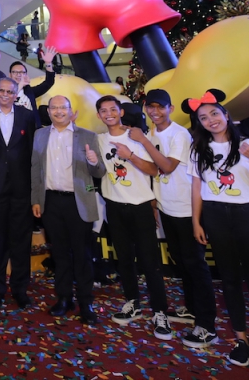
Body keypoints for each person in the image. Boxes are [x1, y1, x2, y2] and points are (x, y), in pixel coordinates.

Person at [186, 90, 249, 375]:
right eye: (203, 117)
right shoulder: (199, 149)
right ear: (199, 123)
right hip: (215, 215)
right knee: (229, 282)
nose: (210, 120)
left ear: (226, 115)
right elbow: (197, 188)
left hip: (248, 214)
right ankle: (241, 340)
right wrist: (196, 222)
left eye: (214, 113)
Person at [127, 90, 218, 348]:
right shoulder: (153, 133)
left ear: (171, 107)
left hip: (187, 209)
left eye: (160, 107)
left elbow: (167, 167)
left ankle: (207, 325)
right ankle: (192, 310)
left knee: (196, 266)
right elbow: (155, 174)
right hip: (168, 208)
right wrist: (155, 203)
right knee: (183, 263)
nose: (154, 111)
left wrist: (143, 142)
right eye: (150, 107)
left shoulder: (179, 133)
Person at [93, 95, 172, 340]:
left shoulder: (136, 137)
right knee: (124, 260)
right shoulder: (97, 140)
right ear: (98, 115)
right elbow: (95, 171)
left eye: (113, 109)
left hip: (140, 207)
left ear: (120, 112)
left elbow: (153, 170)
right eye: (103, 110)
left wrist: (130, 156)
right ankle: (132, 302)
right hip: (115, 207)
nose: (108, 114)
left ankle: (160, 312)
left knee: (150, 262)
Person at [29, 95, 104, 324]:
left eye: (63, 107)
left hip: (78, 202)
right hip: (51, 201)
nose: (59, 111)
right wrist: (36, 199)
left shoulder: (88, 136)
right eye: (54, 107)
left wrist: (93, 161)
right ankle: (64, 298)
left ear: (72, 111)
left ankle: (85, 302)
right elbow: (35, 169)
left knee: (82, 255)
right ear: (49, 111)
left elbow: (100, 172)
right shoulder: (40, 135)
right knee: (59, 253)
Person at [0, 77, 36, 308]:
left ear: (15, 94)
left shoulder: (27, 116)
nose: (4, 94)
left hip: (21, 190)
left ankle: (20, 290)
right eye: (1, 90)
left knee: (21, 243)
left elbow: (34, 151)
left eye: (9, 91)